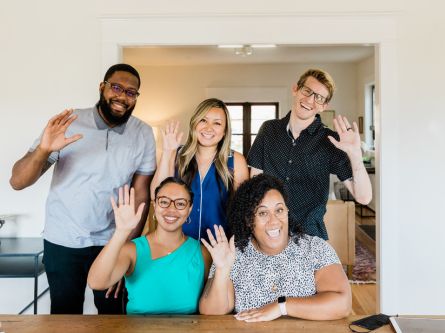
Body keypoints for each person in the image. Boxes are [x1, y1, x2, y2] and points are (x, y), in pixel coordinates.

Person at [9, 63, 156, 314]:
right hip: (63, 239)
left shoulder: (142, 133)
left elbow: (141, 194)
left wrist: (126, 246)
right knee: (66, 316)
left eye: (131, 92)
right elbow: (18, 181)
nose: (122, 96)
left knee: (114, 317)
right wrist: (44, 149)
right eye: (117, 87)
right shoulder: (70, 122)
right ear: (103, 87)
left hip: (112, 242)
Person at [199, 174, 351, 322]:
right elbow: (212, 313)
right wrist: (222, 270)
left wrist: (282, 306)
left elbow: (342, 304)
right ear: (248, 220)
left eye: (279, 210)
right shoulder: (233, 255)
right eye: (263, 213)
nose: (274, 221)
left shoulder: (314, 249)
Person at [248, 68, 372, 240]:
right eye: (307, 91)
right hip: (268, 232)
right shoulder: (269, 130)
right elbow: (253, 184)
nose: (310, 100)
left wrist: (355, 155)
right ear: (295, 89)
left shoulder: (330, 141)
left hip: (309, 237)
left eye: (319, 98)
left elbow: (364, 197)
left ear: (323, 106)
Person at [88, 178, 211, 314]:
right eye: (164, 202)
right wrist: (121, 232)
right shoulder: (132, 250)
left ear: (189, 209)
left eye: (180, 204)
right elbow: (96, 283)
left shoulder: (202, 252)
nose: (171, 209)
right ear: (155, 205)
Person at [150, 98, 249, 241]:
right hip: (178, 245)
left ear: (224, 131)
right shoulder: (176, 154)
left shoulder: (236, 161)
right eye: (203, 120)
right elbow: (155, 195)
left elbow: (243, 211)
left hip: (219, 249)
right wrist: (167, 152)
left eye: (217, 123)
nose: (209, 128)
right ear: (194, 123)